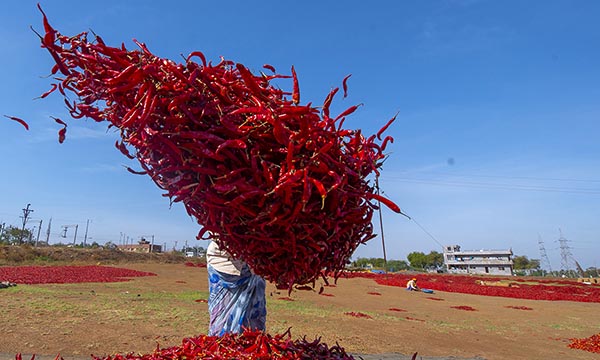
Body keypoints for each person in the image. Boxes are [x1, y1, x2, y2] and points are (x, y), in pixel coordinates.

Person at [206, 240, 267, 336]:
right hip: (225, 265)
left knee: (254, 331)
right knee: (222, 321)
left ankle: (252, 343)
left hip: (254, 266)